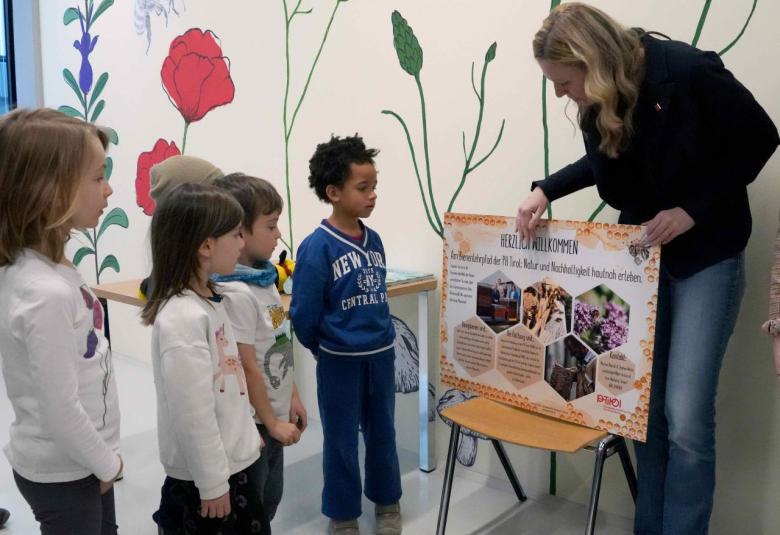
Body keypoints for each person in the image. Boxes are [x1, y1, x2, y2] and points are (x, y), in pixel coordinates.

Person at [516, 4, 779, 533]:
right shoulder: (602, 100)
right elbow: (604, 162)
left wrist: (692, 211)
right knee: (643, 413)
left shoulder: (686, 72)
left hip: (707, 257)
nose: (560, 95)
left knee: (683, 418)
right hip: (641, 261)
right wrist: (546, 188)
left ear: (592, 62)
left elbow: (760, 137)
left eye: (563, 82)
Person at [0, 108, 122, 534]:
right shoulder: (44, 293)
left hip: (83, 460)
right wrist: (108, 463)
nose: (109, 189)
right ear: (49, 191)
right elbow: (59, 408)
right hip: (66, 471)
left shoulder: (51, 269)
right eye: (96, 177)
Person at [141, 183, 270, 535]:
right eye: (236, 234)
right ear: (205, 245)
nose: (242, 243)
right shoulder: (182, 318)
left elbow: (228, 382)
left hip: (230, 465)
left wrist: (243, 433)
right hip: (207, 482)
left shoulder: (213, 299)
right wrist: (213, 484)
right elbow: (192, 413)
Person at [290, 135, 402, 535]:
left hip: (381, 356)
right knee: (340, 441)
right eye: (363, 188)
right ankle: (343, 514)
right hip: (339, 362)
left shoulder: (375, 241)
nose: (373, 195)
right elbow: (303, 314)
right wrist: (327, 347)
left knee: (384, 433)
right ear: (333, 192)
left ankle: (388, 504)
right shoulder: (316, 248)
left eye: (374, 186)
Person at [212, 173, 308, 523]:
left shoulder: (266, 281)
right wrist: (269, 421)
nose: (278, 234)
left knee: (270, 499)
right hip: (255, 425)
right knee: (252, 507)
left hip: (275, 417)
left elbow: (280, 342)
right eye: (270, 226)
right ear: (240, 232)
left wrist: (292, 396)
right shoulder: (236, 292)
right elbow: (245, 366)